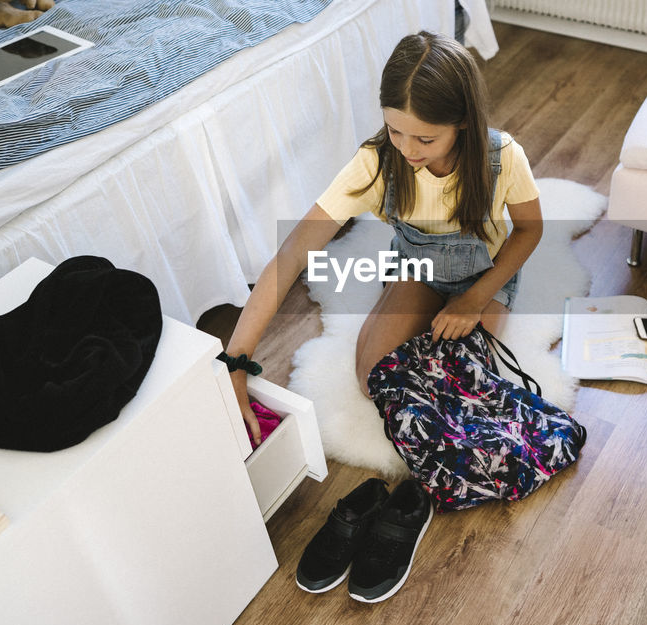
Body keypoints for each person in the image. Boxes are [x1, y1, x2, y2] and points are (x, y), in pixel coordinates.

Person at [222, 31, 543, 444]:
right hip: (417, 269)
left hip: (485, 276)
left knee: (462, 383)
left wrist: (473, 299)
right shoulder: (375, 164)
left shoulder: (503, 157)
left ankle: (431, 307)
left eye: (425, 139)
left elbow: (531, 230)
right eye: (395, 131)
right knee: (373, 379)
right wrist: (235, 361)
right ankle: (399, 294)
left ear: (463, 120)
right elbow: (291, 255)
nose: (408, 149)